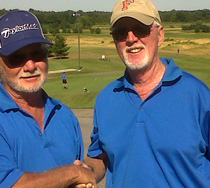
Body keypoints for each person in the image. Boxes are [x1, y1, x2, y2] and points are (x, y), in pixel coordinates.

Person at [74, 0, 210, 187]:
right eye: (121, 33)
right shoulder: (107, 98)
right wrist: (87, 172)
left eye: (140, 28)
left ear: (160, 34)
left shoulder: (198, 95)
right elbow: (100, 156)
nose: (130, 39)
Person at [0, 10, 96, 188]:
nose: (30, 66)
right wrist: (75, 173)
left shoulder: (64, 115)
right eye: (17, 57)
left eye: (37, 54)